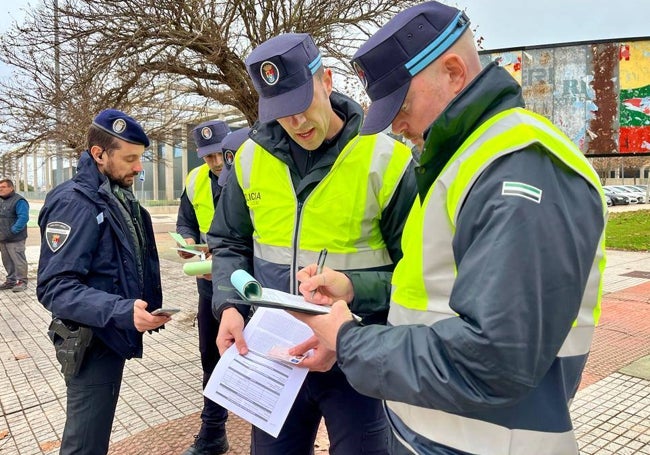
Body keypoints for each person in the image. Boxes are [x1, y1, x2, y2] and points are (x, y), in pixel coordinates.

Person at [291, 2, 608, 455]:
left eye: (400, 104)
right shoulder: (460, 161)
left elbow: (492, 362)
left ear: (454, 72)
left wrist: (349, 339)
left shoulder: (518, 166)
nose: (396, 125)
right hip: (435, 435)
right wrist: (354, 291)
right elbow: (433, 291)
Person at [208, 33, 418, 454]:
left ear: (327, 79)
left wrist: (348, 325)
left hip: (355, 355)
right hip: (276, 354)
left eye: (303, 107)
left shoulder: (386, 158)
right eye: (283, 114)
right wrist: (229, 305)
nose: (297, 124)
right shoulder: (250, 158)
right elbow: (229, 241)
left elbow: (416, 274)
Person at [37, 109, 170, 455]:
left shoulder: (116, 196)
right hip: (91, 342)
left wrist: (140, 310)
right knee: (85, 445)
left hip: (111, 334)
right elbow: (55, 286)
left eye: (139, 158)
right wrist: (122, 310)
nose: (138, 168)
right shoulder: (75, 203)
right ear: (99, 154)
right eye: (129, 159)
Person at [176, 120, 250, 455]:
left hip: (250, 287)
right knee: (212, 358)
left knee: (259, 359)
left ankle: (265, 434)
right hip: (208, 286)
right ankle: (213, 432)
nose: (216, 163)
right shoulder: (193, 181)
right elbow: (186, 220)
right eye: (207, 158)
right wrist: (189, 241)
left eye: (219, 154)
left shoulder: (250, 173)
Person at [0, 178, 29, 292]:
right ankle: (11, 280)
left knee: (18, 260)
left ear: (11, 188)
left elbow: (23, 218)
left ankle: (22, 281)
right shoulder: (1, 200)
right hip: (3, 238)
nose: (0, 190)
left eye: (3, 187)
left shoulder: (19, 201)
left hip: (15, 238)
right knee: (7, 261)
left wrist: (12, 231)